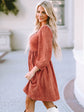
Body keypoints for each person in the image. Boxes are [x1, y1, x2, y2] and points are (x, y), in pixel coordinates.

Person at [23, 1, 62, 112]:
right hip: (38, 72)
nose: (39, 15)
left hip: (40, 72)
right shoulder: (41, 29)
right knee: (45, 101)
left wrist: (32, 72)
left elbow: (45, 57)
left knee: (30, 100)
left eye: (43, 12)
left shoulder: (45, 30)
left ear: (48, 14)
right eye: (38, 12)